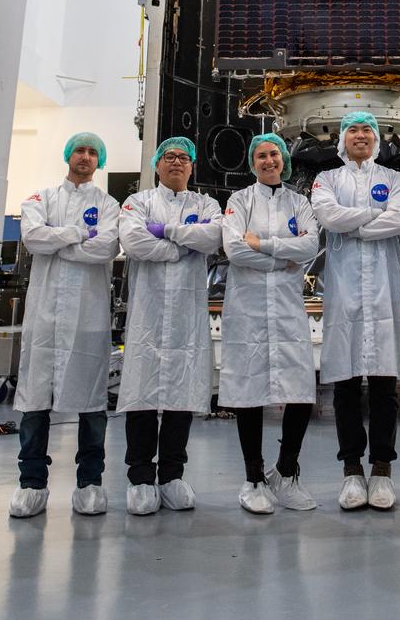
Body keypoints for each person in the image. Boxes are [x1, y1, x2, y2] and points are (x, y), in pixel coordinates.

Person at [8, 132, 119, 518]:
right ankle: (31, 484)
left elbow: (106, 247)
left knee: (92, 403)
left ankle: (90, 482)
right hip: (44, 317)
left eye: (92, 152)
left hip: (88, 317)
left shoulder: (108, 204)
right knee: (35, 401)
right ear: (68, 155)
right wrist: (78, 234)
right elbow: (33, 239)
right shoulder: (40, 198)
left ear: (99, 160)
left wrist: (58, 240)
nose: (85, 157)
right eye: (79, 150)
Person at [311, 111, 400, 511]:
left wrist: (353, 224)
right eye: (352, 129)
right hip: (344, 292)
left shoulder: (395, 180)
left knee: (385, 387)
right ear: (342, 139)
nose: (360, 135)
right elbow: (328, 216)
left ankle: (382, 470)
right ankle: (352, 470)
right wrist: (375, 216)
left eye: (367, 129)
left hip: (384, 292)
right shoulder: (326, 180)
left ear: (376, 139)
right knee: (346, 385)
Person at [117, 136, 222, 515]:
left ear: (192, 166)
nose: (176, 162)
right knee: (142, 394)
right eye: (169, 156)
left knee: (182, 393)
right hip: (147, 316)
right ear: (157, 165)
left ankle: (172, 475)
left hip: (186, 317)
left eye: (183, 157)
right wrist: (183, 246)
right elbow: (133, 241)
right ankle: (141, 477)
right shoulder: (138, 202)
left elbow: (213, 237)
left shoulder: (207, 204)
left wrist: (164, 231)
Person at [219, 133, 320, 514]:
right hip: (248, 309)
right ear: (253, 163)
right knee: (250, 390)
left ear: (284, 160)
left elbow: (309, 247)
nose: (268, 160)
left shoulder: (299, 203)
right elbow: (234, 249)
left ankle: (286, 472)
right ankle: (254, 478)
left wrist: (262, 244)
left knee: (300, 389)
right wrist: (283, 258)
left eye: (274, 154)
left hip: (288, 308)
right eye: (261, 155)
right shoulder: (239, 201)